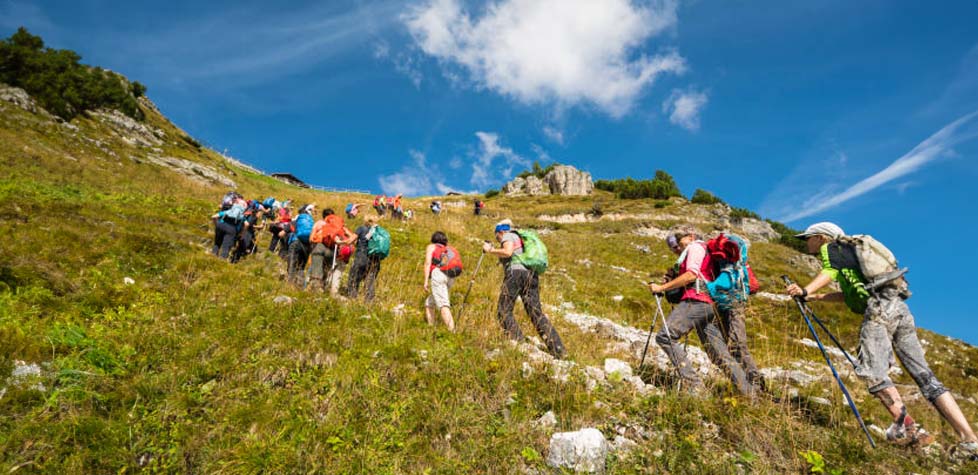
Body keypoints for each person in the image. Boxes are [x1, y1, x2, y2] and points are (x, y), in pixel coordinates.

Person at [786, 222, 977, 459]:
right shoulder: (853, 255)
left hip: (879, 311)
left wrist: (803, 291)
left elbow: (829, 273)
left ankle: (911, 430)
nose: (806, 242)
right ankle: (969, 439)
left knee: (872, 371)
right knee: (925, 375)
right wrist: (814, 297)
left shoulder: (832, 249)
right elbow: (851, 296)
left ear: (822, 237)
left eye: (809, 238)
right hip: (899, 308)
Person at [648, 231, 759, 397]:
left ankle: (695, 387)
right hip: (709, 303)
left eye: (679, 242)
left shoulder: (695, 247)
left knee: (665, 336)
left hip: (696, 300)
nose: (676, 247)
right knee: (718, 353)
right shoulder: (703, 251)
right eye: (672, 246)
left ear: (691, 236)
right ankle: (750, 394)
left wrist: (661, 288)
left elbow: (691, 275)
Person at [482, 219, 566, 358]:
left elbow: (508, 252)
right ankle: (558, 349)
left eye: (497, 236)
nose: (498, 240)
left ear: (500, 232)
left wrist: (490, 250)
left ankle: (519, 342)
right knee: (535, 313)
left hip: (516, 274)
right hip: (531, 275)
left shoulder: (508, 235)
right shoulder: (520, 239)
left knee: (503, 311)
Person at [423, 231, 459, 332]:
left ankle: (452, 332)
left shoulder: (432, 247)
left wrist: (426, 281)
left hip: (438, 274)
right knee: (429, 303)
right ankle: (431, 327)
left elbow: (427, 263)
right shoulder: (447, 250)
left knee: (443, 304)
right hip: (451, 276)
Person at [347, 215, 384, 302]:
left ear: (366, 221)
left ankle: (352, 299)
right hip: (375, 260)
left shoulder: (361, 228)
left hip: (361, 257)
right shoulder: (378, 231)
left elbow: (350, 241)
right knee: (370, 281)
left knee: (354, 277)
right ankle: (369, 302)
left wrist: (341, 241)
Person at [287, 204, 315, 287]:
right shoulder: (311, 220)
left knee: (292, 263)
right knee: (301, 266)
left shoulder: (298, 217)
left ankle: (290, 284)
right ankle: (300, 284)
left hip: (296, 241)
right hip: (307, 245)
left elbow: (291, 227)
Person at [212, 194, 246, 259]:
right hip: (232, 229)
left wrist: (216, 225)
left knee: (217, 243)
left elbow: (213, 216)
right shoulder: (242, 216)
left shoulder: (228, 211)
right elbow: (246, 224)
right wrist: (241, 233)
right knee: (226, 246)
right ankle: (221, 261)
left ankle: (213, 255)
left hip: (221, 225)